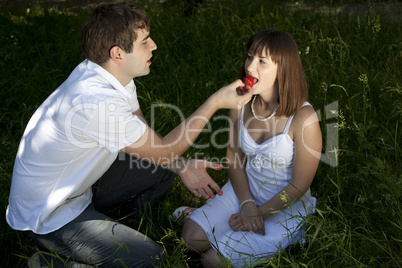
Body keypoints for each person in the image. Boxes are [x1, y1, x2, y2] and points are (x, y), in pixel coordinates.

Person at [5, 3, 252, 268]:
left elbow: (151, 143)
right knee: (152, 260)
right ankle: (53, 261)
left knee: (167, 167)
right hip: (50, 216)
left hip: (79, 188)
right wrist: (214, 102)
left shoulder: (113, 75)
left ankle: (123, 228)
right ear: (118, 53)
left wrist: (180, 166)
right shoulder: (97, 102)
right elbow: (167, 149)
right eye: (145, 41)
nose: (154, 46)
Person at [181, 29, 322, 267]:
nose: (250, 66)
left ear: (283, 68)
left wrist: (261, 213)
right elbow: (233, 156)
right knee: (189, 240)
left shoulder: (303, 117)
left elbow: (300, 184)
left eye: (262, 61)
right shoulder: (241, 102)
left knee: (212, 262)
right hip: (244, 191)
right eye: (249, 57)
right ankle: (203, 217)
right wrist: (247, 204)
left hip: (284, 207)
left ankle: (276, 236)